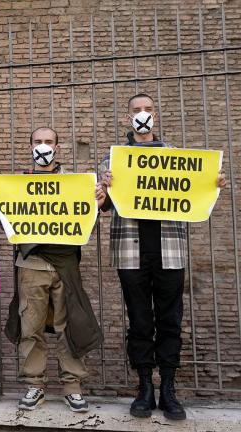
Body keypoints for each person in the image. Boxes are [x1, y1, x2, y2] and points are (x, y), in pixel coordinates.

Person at [97, 93, 227, 420]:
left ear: (156, 114)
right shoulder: (112, 161)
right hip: (131, 253)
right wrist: (102, 191)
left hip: (170, 252)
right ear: (128, 117)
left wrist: (211, 186)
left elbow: (196, 198)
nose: (143, 114)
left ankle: (168, 388)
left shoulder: (176, 158)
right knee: (139, 322)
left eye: (148, 109)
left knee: (170, 320)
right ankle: (144, 388)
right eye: (137, 110)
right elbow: (102, 206)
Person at [4, 127, 104, 413]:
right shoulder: (18, 184)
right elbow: (9, 224)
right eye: (38, 141)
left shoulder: (76, 184)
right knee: (30, 327)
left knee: (68, 325)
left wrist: (95, 205)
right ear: (30, 146)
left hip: (66, 265)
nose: (43, 146)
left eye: (48, 142)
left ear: (57, 147)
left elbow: (86, 227)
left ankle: (73, 387)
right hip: (31, 264)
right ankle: (34, 385)